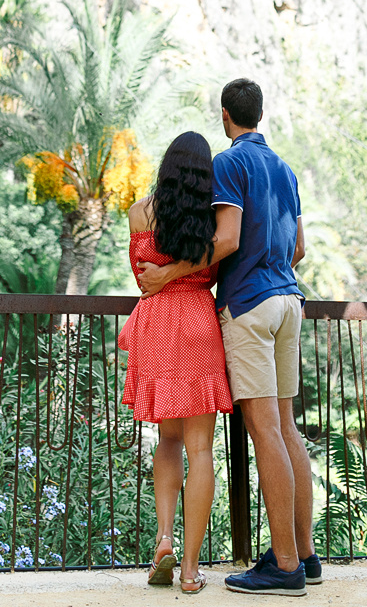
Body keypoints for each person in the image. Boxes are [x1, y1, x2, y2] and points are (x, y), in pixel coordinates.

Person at [138, 79, 321, 596]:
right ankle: (304, 556)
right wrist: (271, 266)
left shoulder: (229, 164)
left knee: (264, 431)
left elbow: (228, 238)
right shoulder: (284, 169)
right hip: (290, 299)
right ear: (258, 114)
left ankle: (283, 567)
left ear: (225, 115)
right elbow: (299, 247)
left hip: (251, 306)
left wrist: (170, 274)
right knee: (286, 429)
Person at [118, 131, 235, 594]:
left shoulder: (139, 213)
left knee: (166, 440)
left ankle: (163, 540)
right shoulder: (211, 218)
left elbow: (142, 278)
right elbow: (219, 262)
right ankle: (189, 569)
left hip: (158, 324)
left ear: (166, 167)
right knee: (200, 448)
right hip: (198, 323)